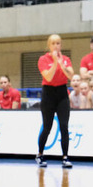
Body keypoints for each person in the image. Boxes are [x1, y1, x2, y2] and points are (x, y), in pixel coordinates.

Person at [36, 34, 74, 169]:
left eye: (58, 43)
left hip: (62, 94)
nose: (56, 46)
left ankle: (65, 157)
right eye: (53, 43)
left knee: (64, 126)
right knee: (47, 126)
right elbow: (48, 76)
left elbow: (70, 75)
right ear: (49, 45)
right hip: (48, 94)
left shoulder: (66, 60)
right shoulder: (43, 59)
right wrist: (55, 63)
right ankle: (40, 154)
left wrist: (61, 63)